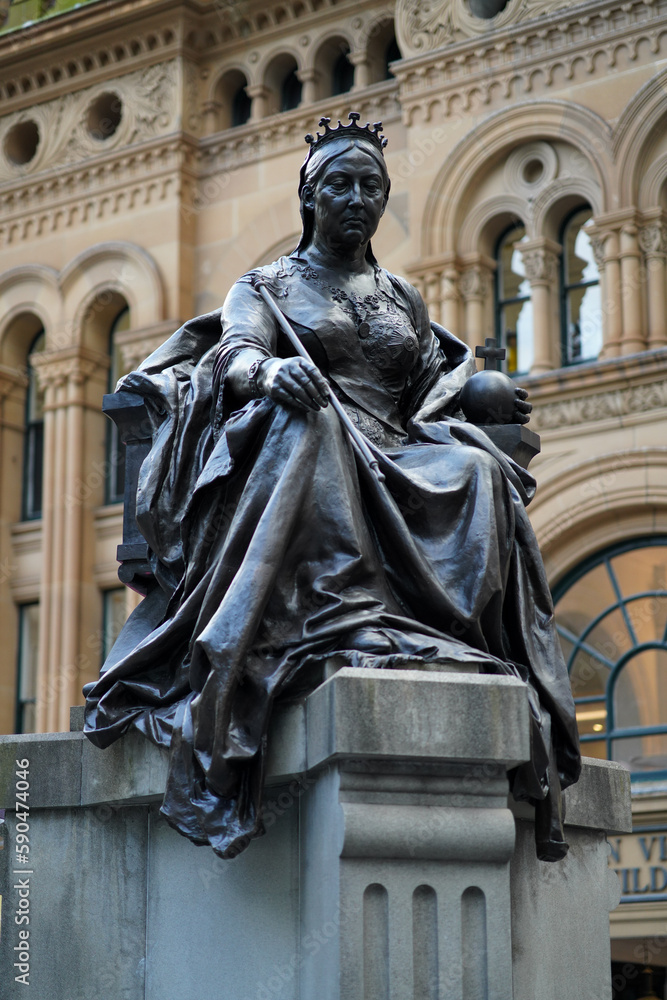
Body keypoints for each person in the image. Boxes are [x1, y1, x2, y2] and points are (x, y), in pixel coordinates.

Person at [84, 114, 580, 861]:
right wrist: (270, 372)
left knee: (477, 468)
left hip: (395, 446)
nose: (356, 198)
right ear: (308, 196)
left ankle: (427, 632)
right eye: (339, 184)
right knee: (310, 430)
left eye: (370, 187)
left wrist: (478, 392)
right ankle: (341, 619)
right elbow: (233, 355)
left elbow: (422, 393)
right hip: (307, 431)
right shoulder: (268, 283)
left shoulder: (400, 295)